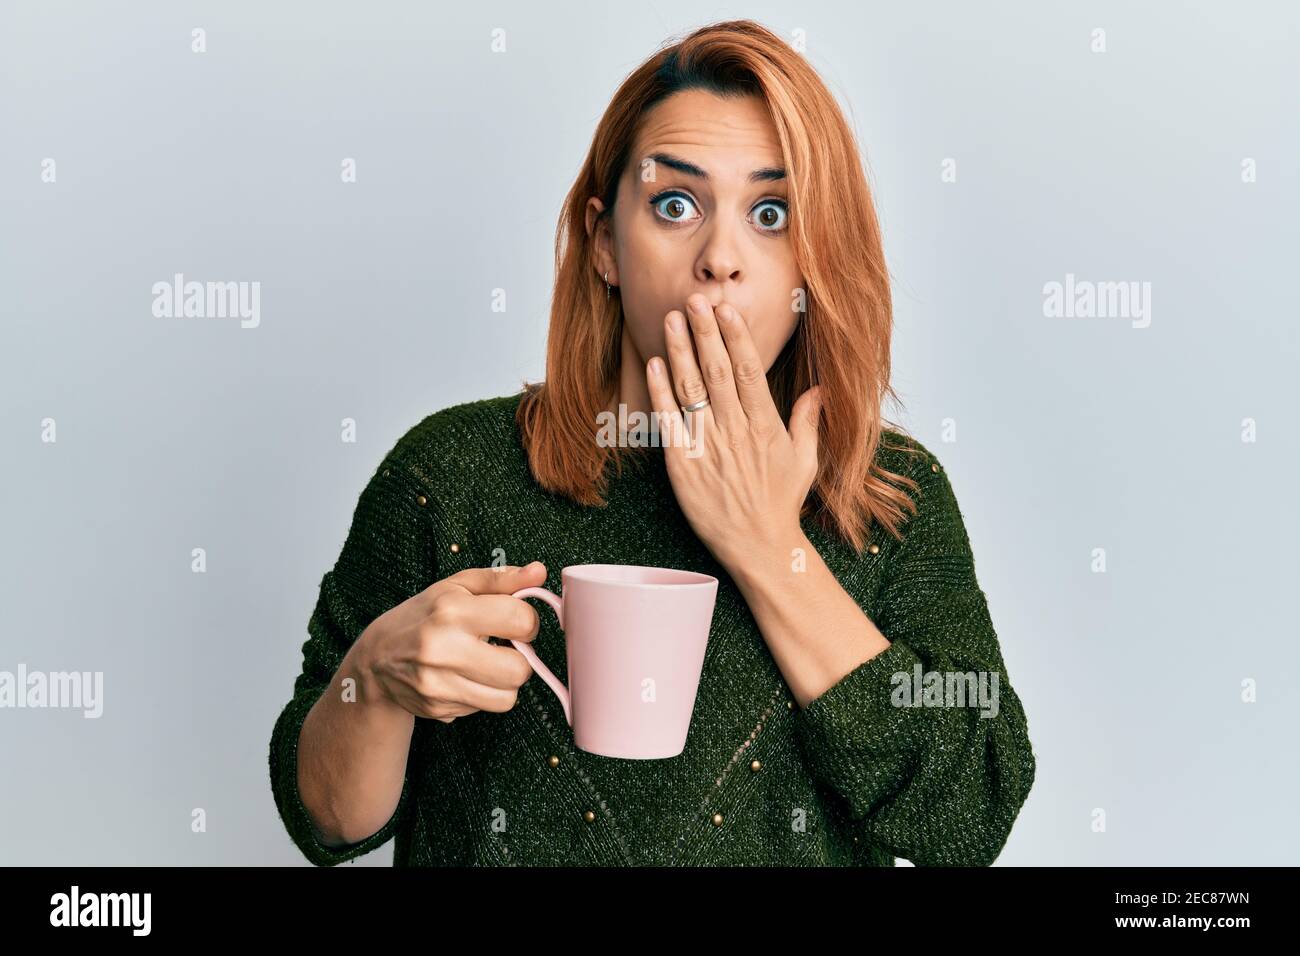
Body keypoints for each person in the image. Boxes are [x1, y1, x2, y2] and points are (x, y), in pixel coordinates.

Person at [268, 18, 1036, 867]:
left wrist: (765, 544)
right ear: (604, 243)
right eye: (676, 204)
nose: (721, 259)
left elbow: (971, 814)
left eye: (771, 213)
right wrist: (371, 683)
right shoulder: (448, 473)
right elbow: (327, 823)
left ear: (814, 264)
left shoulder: (891, 492)